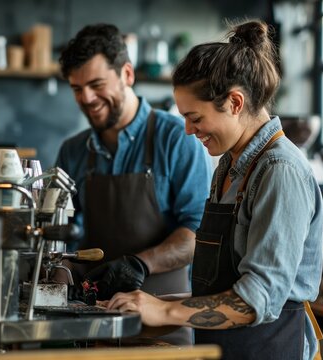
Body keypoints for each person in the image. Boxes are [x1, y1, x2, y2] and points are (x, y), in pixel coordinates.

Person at [106, 19, 323, 360]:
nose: (189, 131)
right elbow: (223, 291)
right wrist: (145, 306)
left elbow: (255, 299)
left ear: (235, 102)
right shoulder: (228, 165)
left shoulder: (280, 171)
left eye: (195, 118)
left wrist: (164, 312)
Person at [55, 24, 212, 342]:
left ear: (127, 74)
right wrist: (57, 278)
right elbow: (62, 233)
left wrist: (140, 264)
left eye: (96, 84)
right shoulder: (72, 151)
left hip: (163, 325)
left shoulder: (178, 138)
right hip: (93, 322)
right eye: (76, 88)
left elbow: (198, 232)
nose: (86, 98)